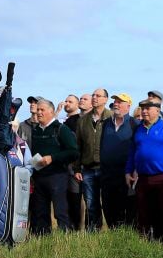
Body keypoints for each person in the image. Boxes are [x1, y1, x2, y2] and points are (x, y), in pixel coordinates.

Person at [126, 99, 163, 242]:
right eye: (142, 108)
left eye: (148, 108)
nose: (144, 111)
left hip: (162, 177)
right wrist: (128, 171)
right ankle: (145, 243)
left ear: (157, 110)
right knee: (143, 213)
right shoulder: (138, 129)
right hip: (142, 178)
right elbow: (132, 152)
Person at [29, 98, 80, 235]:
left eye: (42, 110)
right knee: (40, 213)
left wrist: (53, 158)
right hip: (39, 177)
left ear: (51, 112)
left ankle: (65, 240)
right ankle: (44, 243)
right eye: (38, 110)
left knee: (60, 211)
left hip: (57, 176)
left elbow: (74, 152)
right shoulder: (36, 131)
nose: (38, 112)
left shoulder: (61, 129)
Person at [75, 89, 112, 232]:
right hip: (88, 169)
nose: (95, 98)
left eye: (98, 96)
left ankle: (114, 231)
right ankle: (93, 233)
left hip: (107, 168)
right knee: (91, 203)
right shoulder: (82, 120)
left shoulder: (112, 117)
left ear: (105, 99)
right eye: (94, 95)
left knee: (109, 202)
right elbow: (78, 146)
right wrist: (77, 168)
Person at [62, 94, 84, 232]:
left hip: (76, 166)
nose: (66, 103)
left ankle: (77, 228)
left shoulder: (79, 121)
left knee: (77, 199)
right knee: (68, 199)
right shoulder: (63, 121)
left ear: (77, 105)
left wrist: (77, 167)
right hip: (64, 167)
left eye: (70, 101)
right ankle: (69, 228)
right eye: (66, 101)